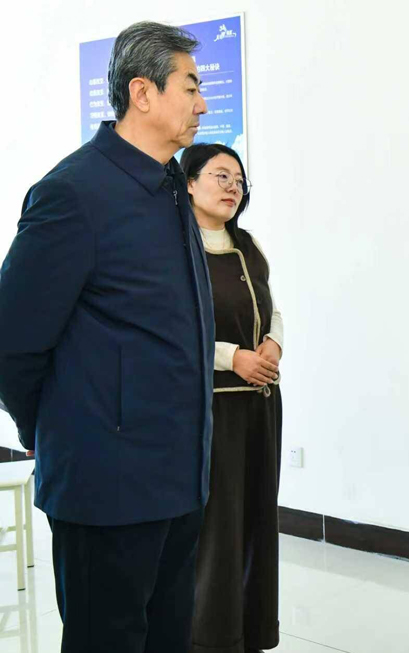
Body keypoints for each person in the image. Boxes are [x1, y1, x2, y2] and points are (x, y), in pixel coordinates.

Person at [0, 21, 213, 652]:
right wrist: (53, 430)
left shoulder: (170, 186)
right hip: (106, 489)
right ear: (142, 93)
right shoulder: (74, 194)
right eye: (190, 87)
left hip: (178, 481)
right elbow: (12, 341)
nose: (202, 104)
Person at [181, 143, 284, 653]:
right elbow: (176, 326)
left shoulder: (249, 245)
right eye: (220, 176)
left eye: (239, 180)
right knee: (218, 528)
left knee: (258, 519)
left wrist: (273, 345)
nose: (232, 187)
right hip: (212, 406)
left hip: (261, 403)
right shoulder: (177, 248)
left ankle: (252, 632)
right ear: (189, 183)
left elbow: (273, 309)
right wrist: (232, 357)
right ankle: (211, 639)